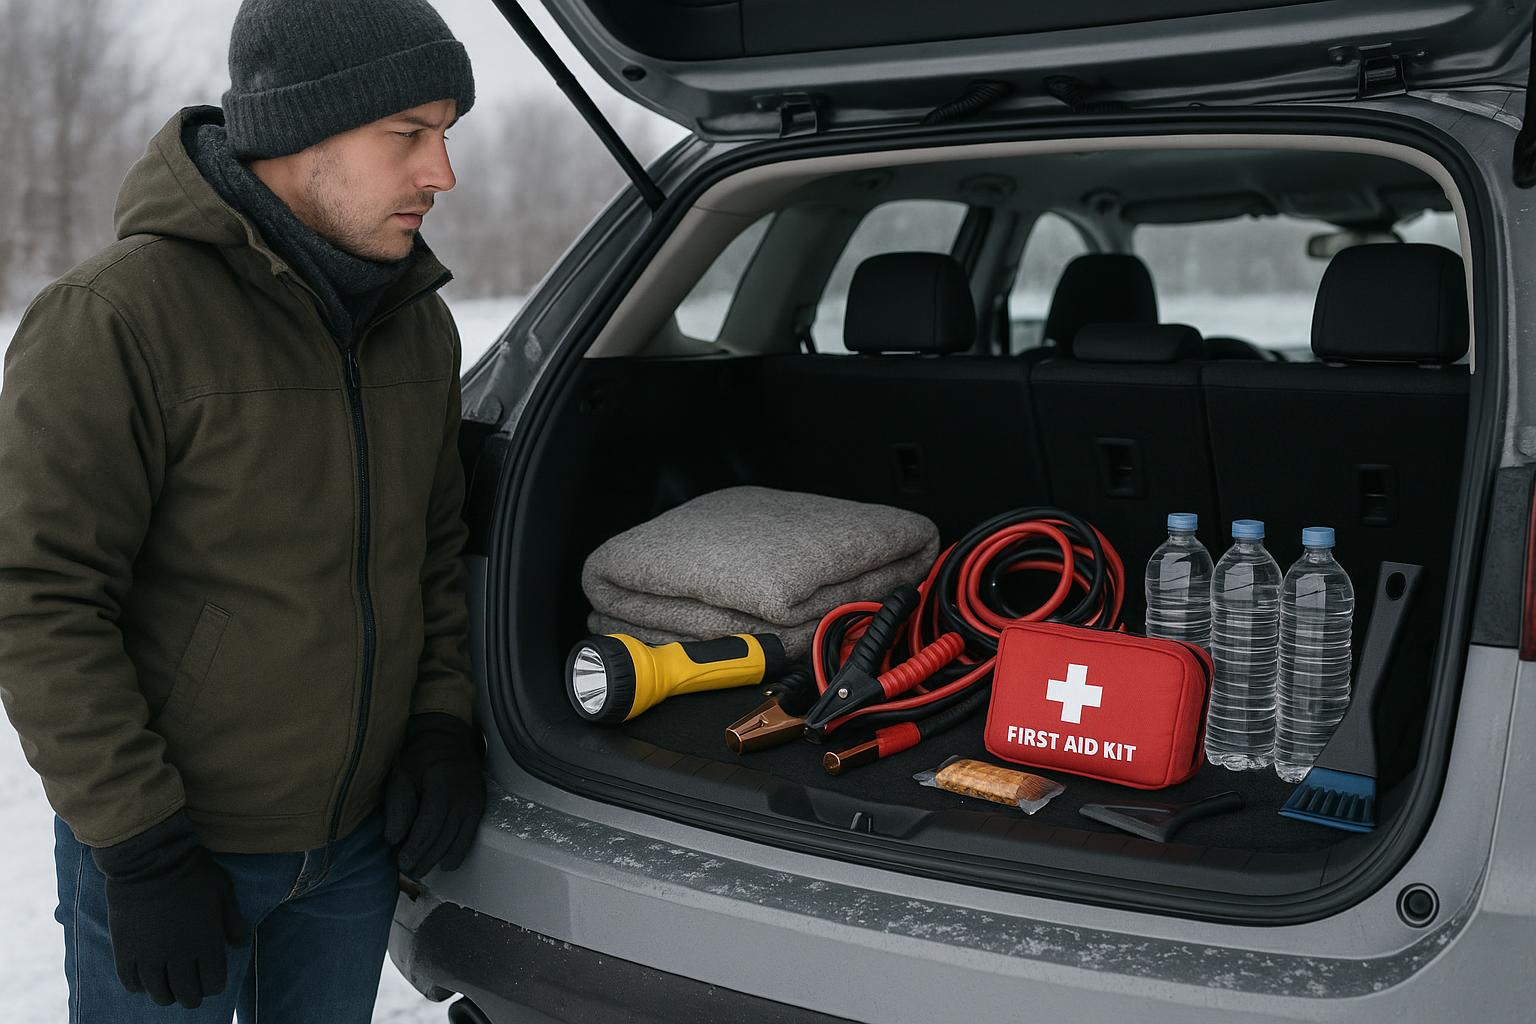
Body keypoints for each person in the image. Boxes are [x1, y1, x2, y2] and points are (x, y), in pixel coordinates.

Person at [0, 0, 488, 1018]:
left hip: (354, 857)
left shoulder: (418, 329)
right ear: (298, 129)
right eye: (408, 134)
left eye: (446, 133)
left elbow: (433, 553)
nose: (441, 172)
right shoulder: (117, 320)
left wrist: (439, 721)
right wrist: (139, 843)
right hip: (176, 853)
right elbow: (37, 598)